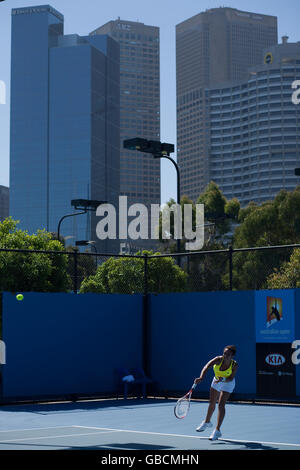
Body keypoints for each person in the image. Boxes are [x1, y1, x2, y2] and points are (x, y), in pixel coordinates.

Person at [194, 345, 238, 441]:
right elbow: (206, 367)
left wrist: (223, 379)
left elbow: (231, 378)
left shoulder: (234, 365)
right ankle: (207, 422)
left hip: (228, 383)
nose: (225, 356)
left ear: (232, 356)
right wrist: (201, 377)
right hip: (217, 380)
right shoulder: (218, 359)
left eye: (228, 354)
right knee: (212, 403)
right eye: (224, 353)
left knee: (221, 405)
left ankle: (217, 430)